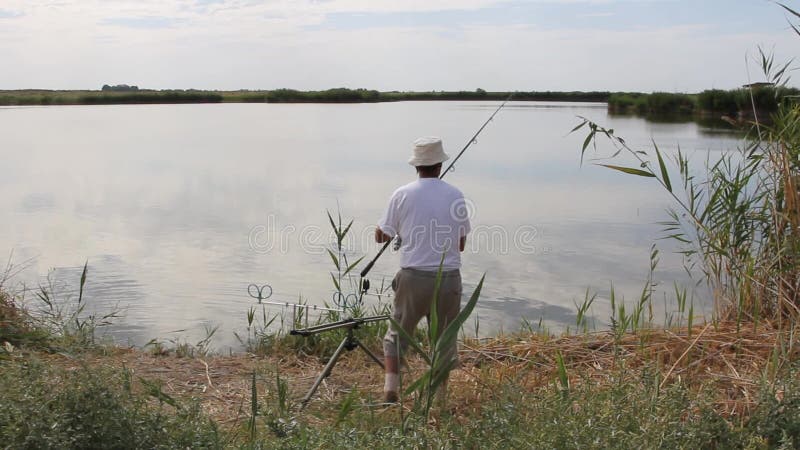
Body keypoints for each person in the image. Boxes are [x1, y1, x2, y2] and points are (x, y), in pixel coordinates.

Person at [374, 136, 471, 403]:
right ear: (440, 165)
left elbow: (381, 237)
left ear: (416, 166)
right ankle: (439, 398)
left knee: (397, 335)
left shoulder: (401, 194)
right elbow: (460, 244)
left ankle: (391, 389)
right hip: (449, 278)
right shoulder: (456, 195)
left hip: (413, 277)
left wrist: (392, 230)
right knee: (444, 339)